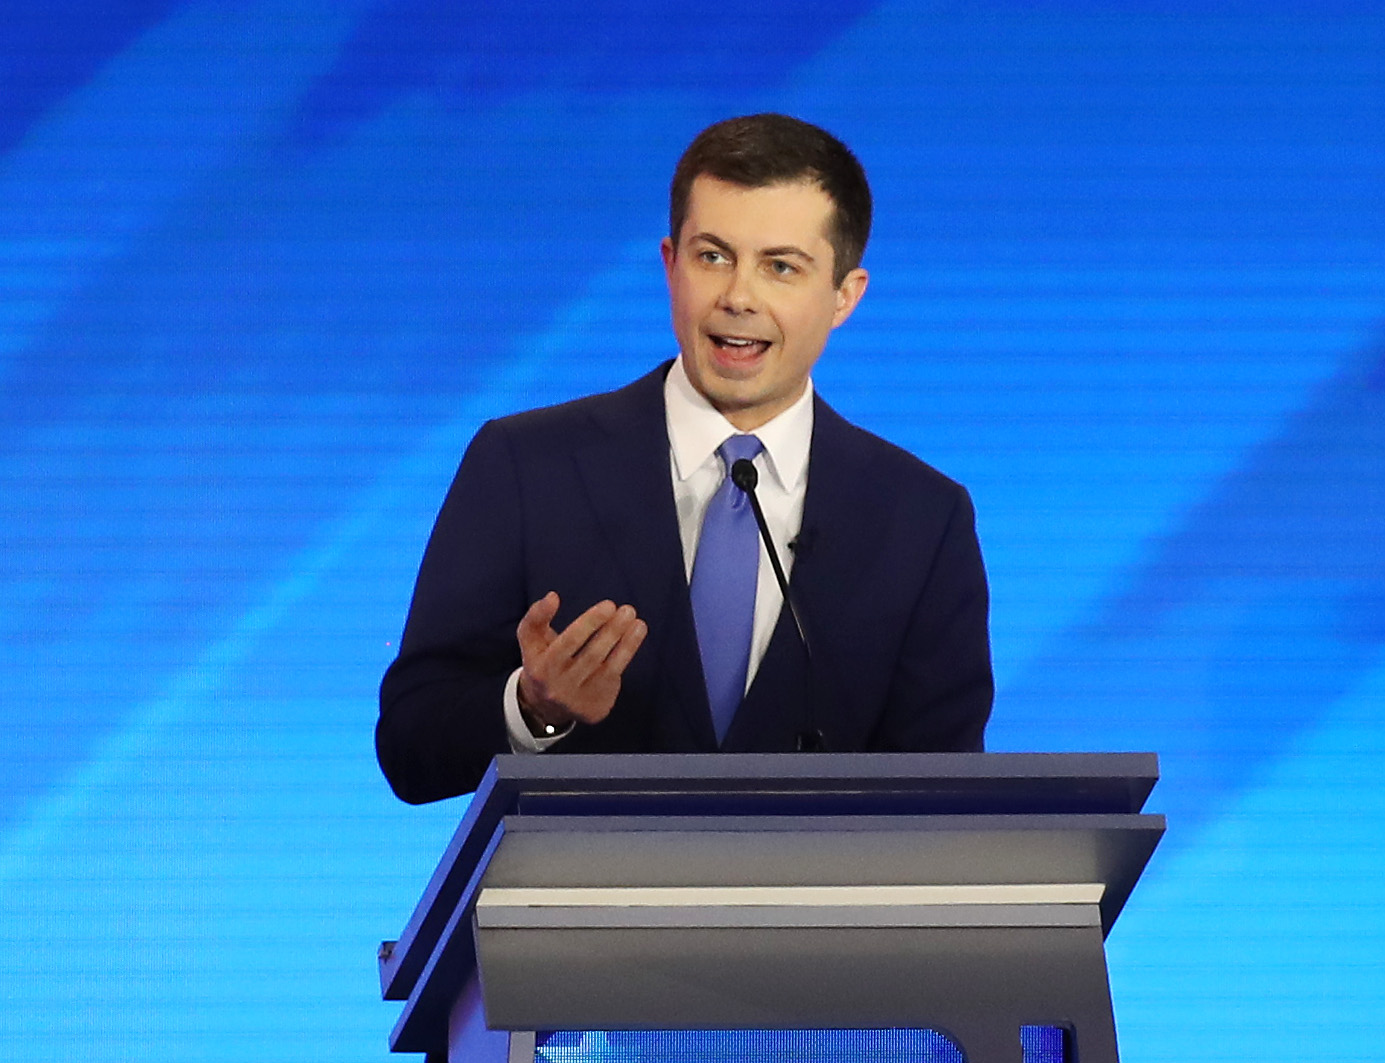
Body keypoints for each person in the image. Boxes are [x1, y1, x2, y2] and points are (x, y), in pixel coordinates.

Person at [377, 114, 992, 804]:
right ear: (670, 265)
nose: (738, 297)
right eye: (713, 256)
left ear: (845, 295)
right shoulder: (525, 465)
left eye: (780, 267)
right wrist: (535, 704)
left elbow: (944, 804)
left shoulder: (921, 518)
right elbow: (408, 744)